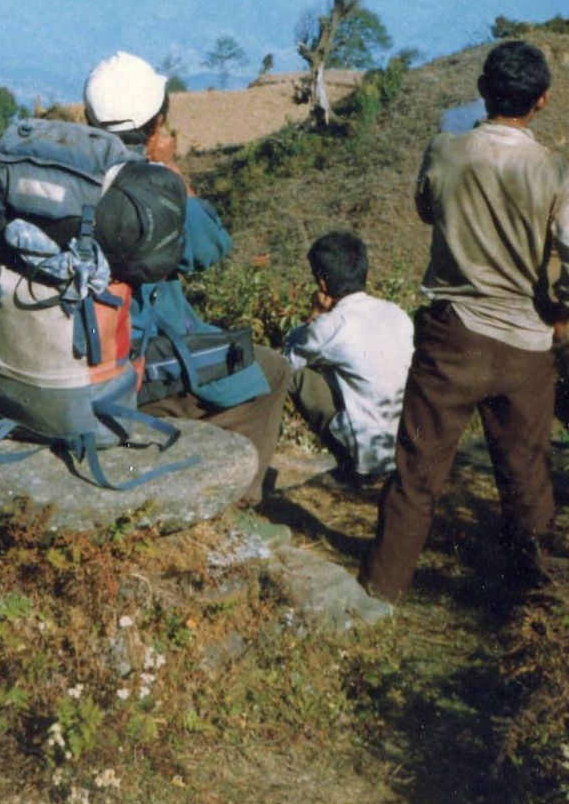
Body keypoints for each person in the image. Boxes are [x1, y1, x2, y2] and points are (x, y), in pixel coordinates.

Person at [361, 39, 569, 602]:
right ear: (541, 101)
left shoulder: (445, 152)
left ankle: (379, 595)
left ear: (481, 92)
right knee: (527, 481)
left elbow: (427, 210)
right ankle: (538, 610)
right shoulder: (555, 173)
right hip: (526, 346)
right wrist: (561, 311)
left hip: (452, 339)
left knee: (417, 475)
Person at [82, 51, 292, 506]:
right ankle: (231, 500)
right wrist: (172, 176)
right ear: (157, 124)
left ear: (86, 118)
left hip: (72, 356)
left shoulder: (65, 175)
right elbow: (212, 245)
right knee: (271, 369)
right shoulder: (153, 190)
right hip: (133, 371)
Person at [283, 230, 415, 486]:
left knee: (292, 374)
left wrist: (315, 314)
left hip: (369, 457)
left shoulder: (330, 325)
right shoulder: (396, 312)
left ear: (322, 283)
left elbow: (288, 361)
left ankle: (349, 464)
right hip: (405, 445)